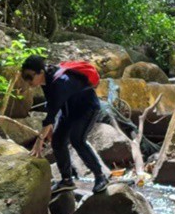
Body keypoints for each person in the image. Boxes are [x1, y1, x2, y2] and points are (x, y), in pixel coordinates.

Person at [21, 55, 109, 194]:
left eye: (29, 77)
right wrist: (49, 128)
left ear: (40, 72)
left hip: (87, 108)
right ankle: (67, 180)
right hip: (69, 110)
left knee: (77, 140)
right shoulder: (46, 80)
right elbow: (52, 105)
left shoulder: (60, 82)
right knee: (57, 142)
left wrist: (39, 141)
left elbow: (51, 113)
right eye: (24, 77)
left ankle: (101, 177)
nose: (28, 81)